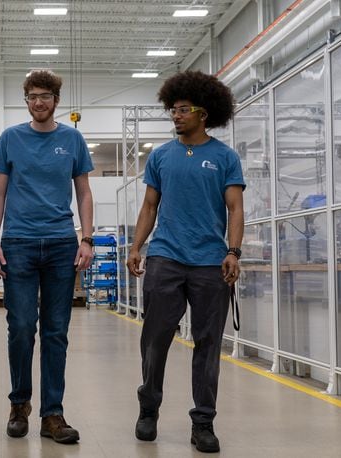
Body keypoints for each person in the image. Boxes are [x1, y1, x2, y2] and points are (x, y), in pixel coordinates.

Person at [126, 70, 245, 453]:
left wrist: (233, 251)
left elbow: (235, 208)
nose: (175, 115)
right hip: (165, 258)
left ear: (203, 113)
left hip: (211, 262)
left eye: (182, 109)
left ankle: (203, 422)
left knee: (208, 345)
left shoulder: (225, 157)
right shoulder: (160, 156)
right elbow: (149, 206)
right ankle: (149, 410)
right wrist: (135, 246)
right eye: (172, 110)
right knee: (155, 340)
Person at [0, 69, 94, 444]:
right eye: (32, 96)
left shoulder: (73, 139)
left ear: (56, 101)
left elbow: (83, 192)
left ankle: (53, 414)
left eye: (45, 96)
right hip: (18, 243)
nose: (39, 102)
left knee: (56, 332)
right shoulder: (10, 138)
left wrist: (87, 238)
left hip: (62, 244)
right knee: (20, 329)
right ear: (27, 100)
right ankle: (19, 405)